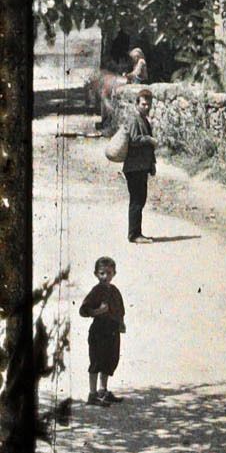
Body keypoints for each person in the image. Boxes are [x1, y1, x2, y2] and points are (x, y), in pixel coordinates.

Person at [79, 256, 125, 405]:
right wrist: (98, 311)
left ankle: (103, 391)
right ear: (96, 274)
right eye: (102, 273)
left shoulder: (115, 291)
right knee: (96, 361)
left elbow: (120, 309)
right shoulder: (96, 291)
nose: (105, 276)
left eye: (109, 273)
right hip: (99, 331)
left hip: (112, 331)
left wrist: (121, 323)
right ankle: (92, 394)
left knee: (109, 360)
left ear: (114, 273)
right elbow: (84, 310)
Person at [122, 87, 156, 242]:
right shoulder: (134, 119)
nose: (146, 107)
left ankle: (136, 233)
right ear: (137, 104)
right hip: (134, 167)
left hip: (141, 166)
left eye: (148, 104)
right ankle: (134, 235)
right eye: (143, 104)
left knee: (140, 199)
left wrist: (152, 164)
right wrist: (149, 139)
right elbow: (134, 139)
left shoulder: (143, 119)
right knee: (137, 200)